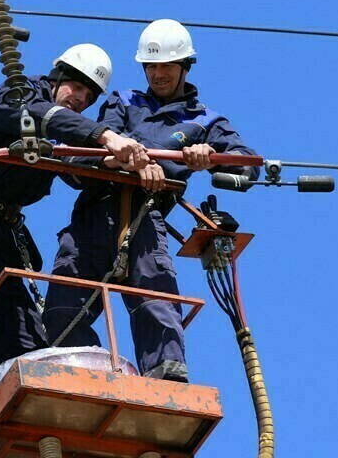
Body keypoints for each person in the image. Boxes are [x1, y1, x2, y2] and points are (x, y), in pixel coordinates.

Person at [0, 44, 149, 428]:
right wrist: (106, 136)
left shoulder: (59, 131)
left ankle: (31, 418)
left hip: (3, 238)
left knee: (29, 341)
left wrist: (112, 160)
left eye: (88, 99)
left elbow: (74, 165)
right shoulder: (17, 98)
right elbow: (43, 116)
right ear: (57, 78)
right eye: (76, 89)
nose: (79, 101)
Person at [43, 20, 260, 383]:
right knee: (63, 308)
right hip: (94, 215)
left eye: (167, 66)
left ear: (185, 67)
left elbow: (247, 165)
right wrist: (134, 160)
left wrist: (208, 158)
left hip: (146, 219)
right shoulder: (124, 102)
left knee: (155, 300)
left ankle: (166, 382)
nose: (158, 74)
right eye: (151, 66)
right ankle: (80, 376)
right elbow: (93, 146)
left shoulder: (204, 121)